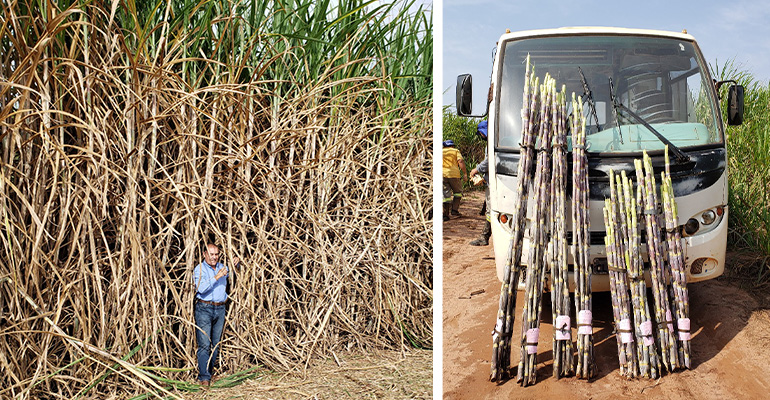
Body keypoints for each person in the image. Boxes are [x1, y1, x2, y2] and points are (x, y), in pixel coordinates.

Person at [193, 243, 239, 386]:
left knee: (216, 344)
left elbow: (231, 273)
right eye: (211, 254)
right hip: (204, 308)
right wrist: (217, 277)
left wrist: (235, 265)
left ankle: (209, 372)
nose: (214, 257)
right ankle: (204, 378)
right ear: (204, 254)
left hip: (220, 309)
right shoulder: (199, 269)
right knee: (204, 344)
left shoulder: (222, 267)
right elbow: (200, 288)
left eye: (216, 254)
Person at [469, 120, 492, 246]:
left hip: (494, 182)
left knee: (490, 208)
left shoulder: (492, 142)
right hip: (492, 179)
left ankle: (485, 236)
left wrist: (477, 169)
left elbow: (490, 160)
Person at [442, 139, 467, 221]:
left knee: (445, 195)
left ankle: (445, 215)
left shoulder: (441, 151)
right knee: (458, 193)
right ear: (452, 145)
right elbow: (460, 161)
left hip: (442, 174)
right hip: (454, 175)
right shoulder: (455, 151)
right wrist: (465, 173)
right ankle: (454, 210)